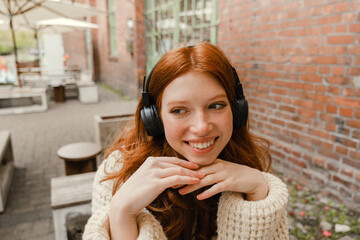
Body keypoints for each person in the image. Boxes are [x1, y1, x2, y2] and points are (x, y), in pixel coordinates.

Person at [83, 42, 289, 240]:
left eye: (216, 106)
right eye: (179, 110)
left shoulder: (246, 166)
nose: (201, 127)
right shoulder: (117, 172)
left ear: (237, 110)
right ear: (154, 118)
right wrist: (121, 211)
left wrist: (258, 193)